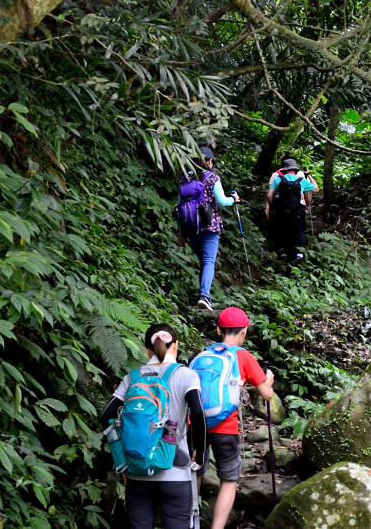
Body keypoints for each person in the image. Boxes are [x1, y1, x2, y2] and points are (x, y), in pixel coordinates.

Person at [100, 324, 206, 529]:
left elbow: (106, 417)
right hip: (175, 472)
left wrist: (122, 461)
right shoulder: (186, 375)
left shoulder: (132, 378)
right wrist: (199, 453)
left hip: (137, 473)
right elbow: (198, 413)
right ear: (175, 346)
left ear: (147, 350)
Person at [194, 307, 274, 529]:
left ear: (218, 330)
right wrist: (268, 379)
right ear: (244, 332)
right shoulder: (244, 356)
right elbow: (267, 395)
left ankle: (189, 521)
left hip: (195, 425)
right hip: (225, 428)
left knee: (195, 472)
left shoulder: (203, 355)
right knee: (228, 480)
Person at [181, 146, 240, 310]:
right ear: (210, 161)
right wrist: (233, 200)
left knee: (204, 261)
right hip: (210, 225)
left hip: (191, 226)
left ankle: (203, 295)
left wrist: (181, 233)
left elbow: (181, 205)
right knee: (208, 262)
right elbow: (222, 201)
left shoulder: (186, 178)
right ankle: (204, 296)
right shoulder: (212, 177)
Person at [265, 156, 317, 261]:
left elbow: (269, 195)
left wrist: (273, 206)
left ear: (284, 169)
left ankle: (282, 252)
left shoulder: (278, 179)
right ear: (295, 169)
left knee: (283, 231)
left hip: (281, 212)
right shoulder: (300, 180)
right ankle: (298, 254)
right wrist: (309, 176)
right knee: (298, 232)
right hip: (297, 212)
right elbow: (316, 189)